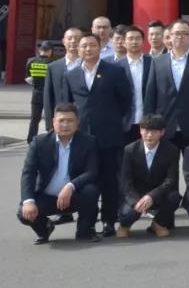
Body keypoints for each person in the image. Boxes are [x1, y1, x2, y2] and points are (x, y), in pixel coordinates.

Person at [60, 32, 132, 238]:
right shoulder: (71, 74)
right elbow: (67, 105)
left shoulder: (114, 71)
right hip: (82, 137)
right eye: (83, 46)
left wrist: (111, 119)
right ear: (78, 49)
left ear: (100, 47)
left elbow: (125, 100)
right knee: (85, 181)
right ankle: (87, 222)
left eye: (92, 45)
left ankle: (109, 220)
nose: (87, 49)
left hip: (109, 135)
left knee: (109, 179)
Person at [18, 103, 101, 244]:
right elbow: (28, 172)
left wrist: (70, 186)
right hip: (47, 196)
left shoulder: (88, 142)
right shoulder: (39, 142)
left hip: (74, 196)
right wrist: (28, 201)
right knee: (24, 213)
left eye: (70, 121)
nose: (65, 125)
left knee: (91, 192)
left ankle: (85, 231)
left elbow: (91, 172)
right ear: (53, 122)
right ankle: (45, 229)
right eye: (61, 120)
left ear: (77, 123)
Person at [144, 19, 189, 150]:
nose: (180, 37)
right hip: (164, 126)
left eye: (185, 33)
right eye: (177, 33)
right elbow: (150, 95)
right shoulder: (158, 62)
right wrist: (148, 124)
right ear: (170, 36)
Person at [117, 113, 181, 238]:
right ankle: (124, 225)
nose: (150, 135)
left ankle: (158, 224)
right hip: (136, 194)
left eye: (154, 132)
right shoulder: (130, 150)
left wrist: (152, 196)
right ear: (140, 131)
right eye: (146, 131)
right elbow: (126, 181)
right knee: (127, 213)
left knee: (174, 197)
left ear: (162, 132)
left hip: (158, 193)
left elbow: (170, 179)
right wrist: (136, 201)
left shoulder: (171, 150)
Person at [43, 26, 82, 129]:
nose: (73, 41)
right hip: (62, 121)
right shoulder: (53, 67)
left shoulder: (89, 65)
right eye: (69, 38)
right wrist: (50, 125)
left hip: (84, 121)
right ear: (63, 41)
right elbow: (48, 97)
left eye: (77, 38)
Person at [25, 40, 52, 143]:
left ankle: (31, 140)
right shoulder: (52, 63)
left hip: (36, 93)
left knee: (34, 119)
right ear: (50, 51)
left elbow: (28, 78)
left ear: (39, 50)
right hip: (49, 94)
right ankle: (51, 139)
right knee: (50, 118)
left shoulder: (31, 61)